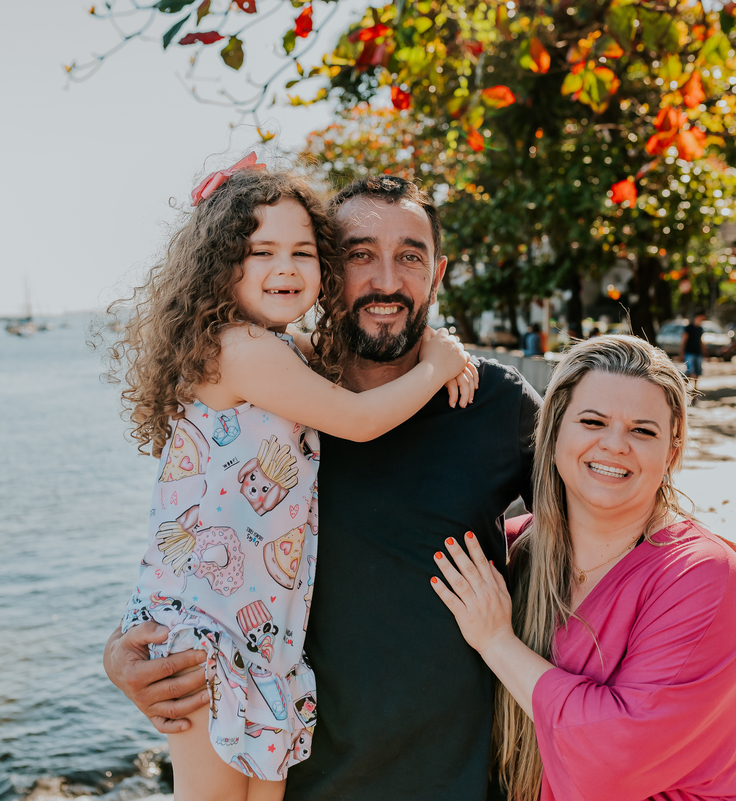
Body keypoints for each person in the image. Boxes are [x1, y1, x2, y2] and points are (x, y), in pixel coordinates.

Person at [103, 176, 736, 801]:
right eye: (359, 253)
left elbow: (615, 505)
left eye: (410, 255)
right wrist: (125, 651)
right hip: (296, 779)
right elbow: (201, 535)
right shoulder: (279, 402)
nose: (386, 278)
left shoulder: (493, 404)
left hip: (458, 783)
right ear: (328, 268)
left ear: (438, 272)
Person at [107, 158, 475, 801]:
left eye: (304, 252)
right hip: (209, 631)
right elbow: (360, 422)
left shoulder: (284, 351)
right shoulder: (238, 349)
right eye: (261, 251)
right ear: (220, 265)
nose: (286, 268)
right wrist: (437, 363)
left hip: (262, 632)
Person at [432, 336, 736, 800]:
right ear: (554, 430)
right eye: (592, 421)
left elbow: (613, 764)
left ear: (672, 449)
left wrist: (497, 642)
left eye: (643, 431)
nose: (615, 445)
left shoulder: (704, 577)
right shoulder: (511, 552)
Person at [680, 311, 706, 395]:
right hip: (689, 352)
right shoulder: (689, 328)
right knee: (690, 371)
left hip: (698, 352)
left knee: (697, 372)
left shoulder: (700, 329)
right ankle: (683, 386)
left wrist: (705, 351)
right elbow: (684, 340)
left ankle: (695, 389)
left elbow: (700, 341)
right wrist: (681, 352)